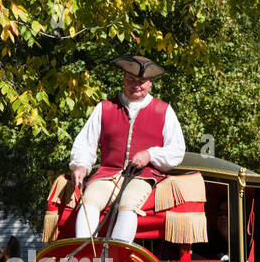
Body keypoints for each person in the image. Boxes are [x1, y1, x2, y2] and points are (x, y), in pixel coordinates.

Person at [69, 55, 186, 242]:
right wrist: (81, 165)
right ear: (124, 79)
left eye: (141, 82)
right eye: (131, 80)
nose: (136, 86)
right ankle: (86, 257)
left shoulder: (164, 110)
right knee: (88, 201)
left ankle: (117, 258)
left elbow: (177, 151)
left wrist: (150, 154)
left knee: (128, 204)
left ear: (150, 84)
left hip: (142, 176)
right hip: (107, 174)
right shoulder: (105, 108)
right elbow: (85, 143)